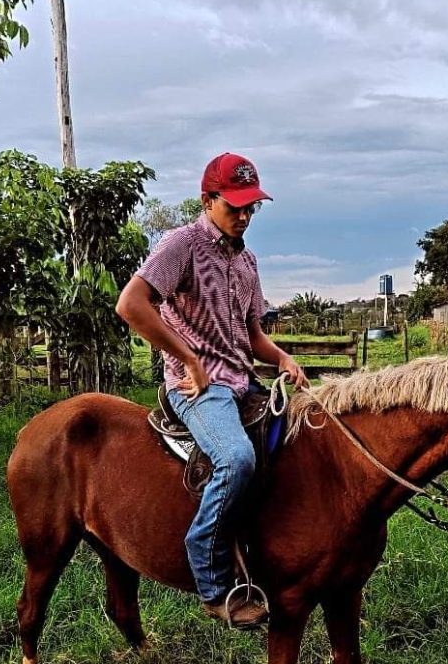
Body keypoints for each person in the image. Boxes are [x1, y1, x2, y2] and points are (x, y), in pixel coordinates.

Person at [116, 151, 307, 628]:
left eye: (251, 207)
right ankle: (210, 573)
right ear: (207, 200)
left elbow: (252, 334)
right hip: (199, 389)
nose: (244, 216)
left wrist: (282, 358)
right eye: (234, 206)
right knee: (236, 459)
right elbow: (131, 304)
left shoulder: (247, 262)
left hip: (244, 381)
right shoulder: (181, 245)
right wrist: (187, 357)